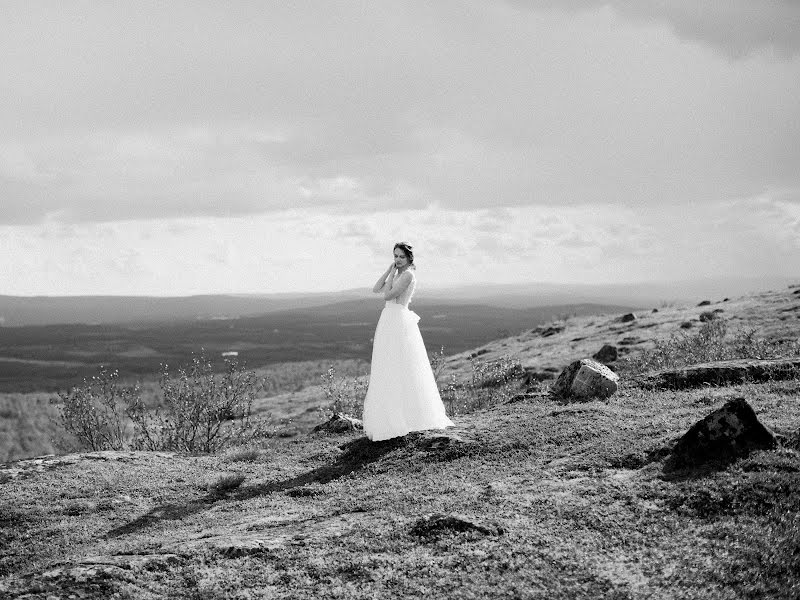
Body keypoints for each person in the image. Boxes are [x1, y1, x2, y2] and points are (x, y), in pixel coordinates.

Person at [362, 242, 454, 441]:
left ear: (409, 259)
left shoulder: (408, 276)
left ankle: (408, 415)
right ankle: (390, 414)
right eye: (395, 256)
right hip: (388, 320)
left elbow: (388, 295)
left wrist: (392, 277)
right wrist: (388, 271)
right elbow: (375, 288)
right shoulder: (396, 274)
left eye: (401, 257)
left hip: (398, 321)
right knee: (387, 364)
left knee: (403, 365)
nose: (397, 260)